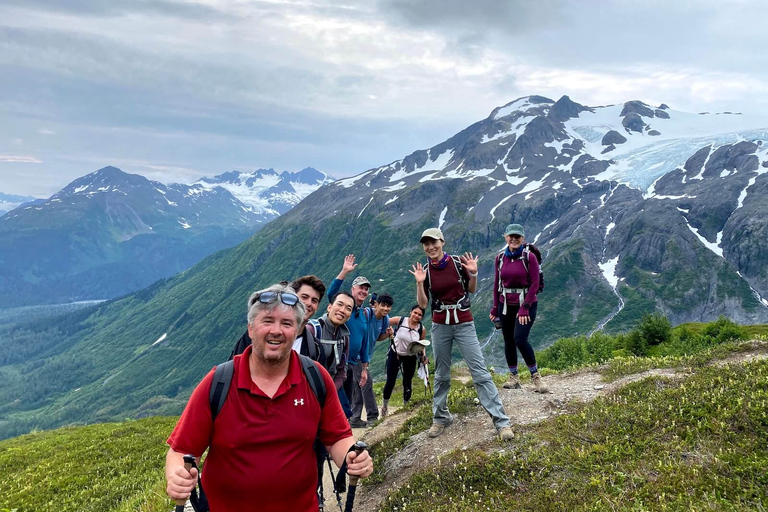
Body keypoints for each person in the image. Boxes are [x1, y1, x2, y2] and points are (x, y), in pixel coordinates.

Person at [165, 283, 373, 512]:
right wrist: (177, 477)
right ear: (251, 329)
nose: (277, 330)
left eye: (286, 323)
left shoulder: (316, 379)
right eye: (267, 321)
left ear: (297, 330)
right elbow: (181, 450)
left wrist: (352, 457)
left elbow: (336, 438)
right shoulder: (219, 382)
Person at [410, 228, 514, 441]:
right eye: (426, 244)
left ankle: (501, 422)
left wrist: (473, 273)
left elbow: (472, 289)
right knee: (441, 373)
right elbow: (422, 304)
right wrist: (420, 283)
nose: (430, 247)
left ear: (442, 242)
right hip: (440, 324)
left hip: (464, 322)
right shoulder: (426, 271)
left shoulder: (458, 263)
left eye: (434, 242)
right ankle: (440, 418)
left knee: (480, 372)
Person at [490, 224, 548, 392]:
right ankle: (514, 376)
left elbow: (535, 284)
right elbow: (497, 284)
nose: (514, 239)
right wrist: (495, 307)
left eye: (517, 236)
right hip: (505, 304)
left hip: (526, 303)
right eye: (511, 236)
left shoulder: (529, 257)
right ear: (505, 237)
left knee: (520, 339)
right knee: (508, 340)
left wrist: (525, 307)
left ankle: (536, 376)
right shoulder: (500, 258)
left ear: (523, 238)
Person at [327, 255, 378, 428]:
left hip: (353, 363)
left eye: (366, 290)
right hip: (337, 363)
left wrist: (365, 368)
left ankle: (341, 430)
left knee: (347, 400)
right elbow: (332, 294)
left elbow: (364, 343)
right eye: (360, 288)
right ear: (353, 288)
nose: (363, 291)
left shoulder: (364, 314)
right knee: (333, 400)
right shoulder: (344, 309)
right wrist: (344, 271)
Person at [228, 275, 327, 364]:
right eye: (304, 297)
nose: (309, 303)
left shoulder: (316, 349)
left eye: (314, 301)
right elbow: (234, 368)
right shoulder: (256, 335)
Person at [381, 305, 428, 417]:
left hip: (410, 356)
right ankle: (384, 407)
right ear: (410, 312)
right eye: (415, 313)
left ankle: (405, 408)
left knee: (407, 382)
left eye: (419, 315)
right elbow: (384, 322)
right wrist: (388, 331)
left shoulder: (421, 329)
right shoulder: (400, 320)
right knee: (390, 381)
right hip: (395, 353)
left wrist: (423, 357)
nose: (416, 316)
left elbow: (421, 344)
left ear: (421, 317)